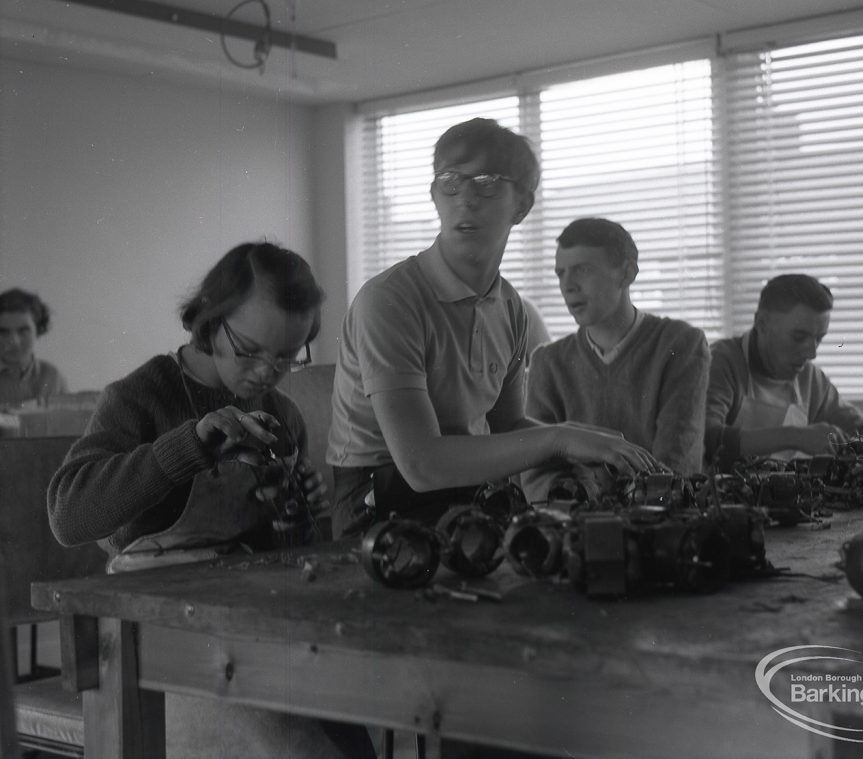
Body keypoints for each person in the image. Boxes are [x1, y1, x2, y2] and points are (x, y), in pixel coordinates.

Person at [47, 241, 374, 759]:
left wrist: (299, 509)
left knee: (349, 730)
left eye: (287, 356)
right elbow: (69, 516)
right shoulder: (140, 396)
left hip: (248, 618)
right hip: (155, 631)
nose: (267, 372)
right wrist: (188, 447)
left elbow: (282, 554)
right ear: (208, 321)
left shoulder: (280, 414)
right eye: (250, 351)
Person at [327, 118, 660, 536]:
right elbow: (421, 464)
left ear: (521, 206)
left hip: (464, 494)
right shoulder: (390, 299)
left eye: (486, 181)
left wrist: (585, 444)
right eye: (449, 180)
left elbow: (507, 428)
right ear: (434, 195)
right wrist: (559, 438)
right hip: (378, 503)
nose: (465, 198)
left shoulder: (510, 307)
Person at [524, 217, 710, 503]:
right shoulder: (548, 362)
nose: (568, 285)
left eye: (582, 270)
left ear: (626, 274)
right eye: (560, 273)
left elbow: (678, 462)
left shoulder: (681, 344)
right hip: (572, 528)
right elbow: (536, 473)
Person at [705, 273, 863, 469]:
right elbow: (707, 437)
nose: (812, 353)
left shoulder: (809, 378)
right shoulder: (720, 363)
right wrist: (795, 436)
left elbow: (857, 429)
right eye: (798, 337)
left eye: (818, 339)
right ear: (761, 324)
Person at [0, 288, 68, 407]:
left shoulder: (53, 376)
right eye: (3, 331)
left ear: (38, 329)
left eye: (23, 330)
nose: (14, 341)